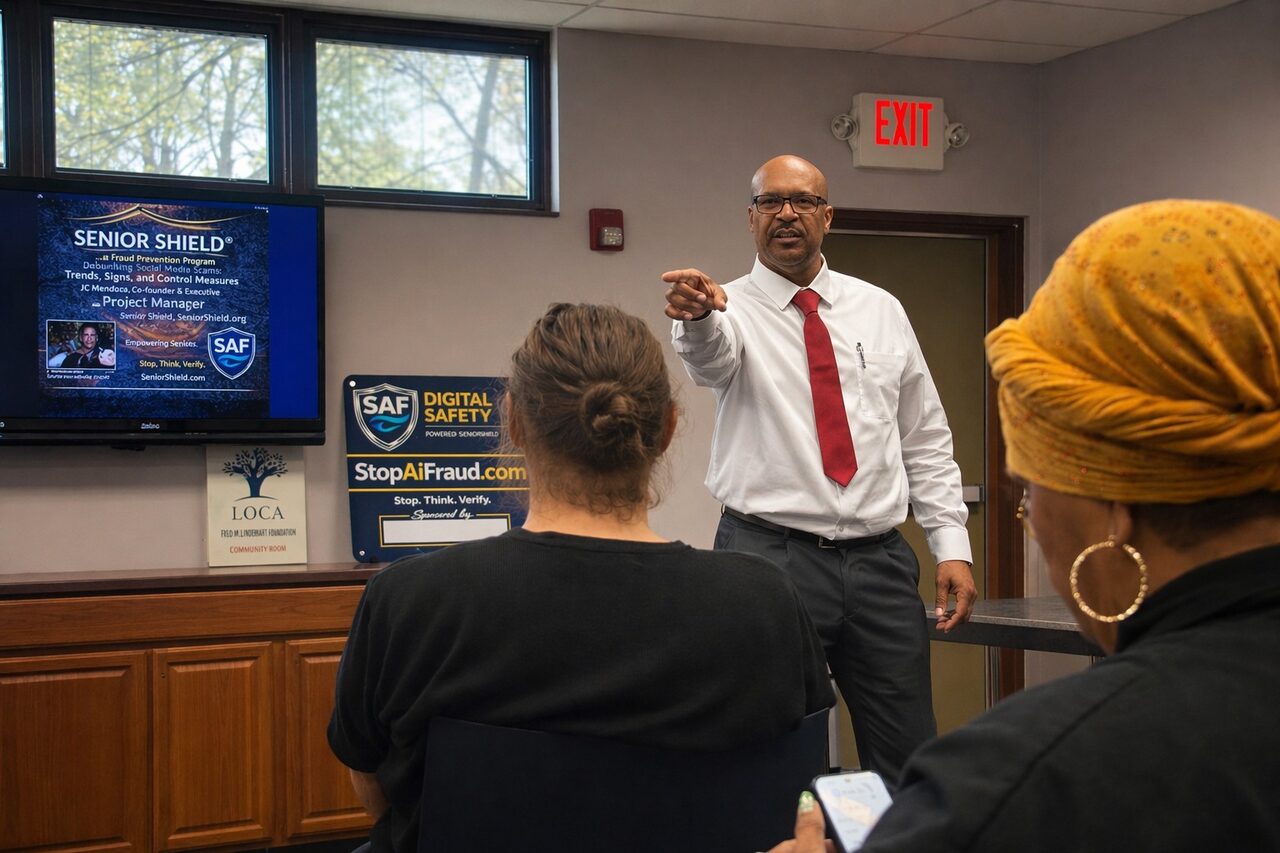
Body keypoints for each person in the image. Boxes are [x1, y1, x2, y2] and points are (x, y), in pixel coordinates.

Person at [767, 198, 1280, 852]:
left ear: (1114, 502)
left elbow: (924, 438)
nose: (1030, 518)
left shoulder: (1022, 785)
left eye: (1031, 491)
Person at [328, 303, 834, 853]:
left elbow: (379, 790)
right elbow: (794, 797)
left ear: (514, 422)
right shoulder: (764, 601)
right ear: (666, 428)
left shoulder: (410, 602)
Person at [663, 154, 976, 782]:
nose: (786, 213)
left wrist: (952, 544)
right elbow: (711, 362)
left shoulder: (880, 309)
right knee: (767, 743)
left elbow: (924, 435)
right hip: (768, 556)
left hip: (880, 562)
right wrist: (699, 317)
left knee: (909, 750)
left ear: (826, 216)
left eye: (802, 201)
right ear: (750, 218)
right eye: (770, 202)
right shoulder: (729, 310)